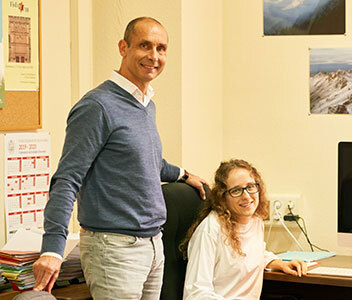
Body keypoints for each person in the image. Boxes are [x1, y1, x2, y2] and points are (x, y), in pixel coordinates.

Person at [32, 17, 208, 299]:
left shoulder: (146, 104)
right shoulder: (97, 106)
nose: (154, 56)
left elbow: (147, 161)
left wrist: (184, 174)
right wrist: (53, 248)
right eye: (144, 46)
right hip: (114, 250)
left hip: (153, 245)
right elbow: (67, 179)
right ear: (123, 47)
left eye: (161, 48)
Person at [181, 159, 307, 299]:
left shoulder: (255, 220)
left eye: (250, 186)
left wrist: (279, 263)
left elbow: (251, 253)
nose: (246, 196)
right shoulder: (210, 229)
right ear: (223, 197)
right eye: (236, 190)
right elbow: (196, 293)